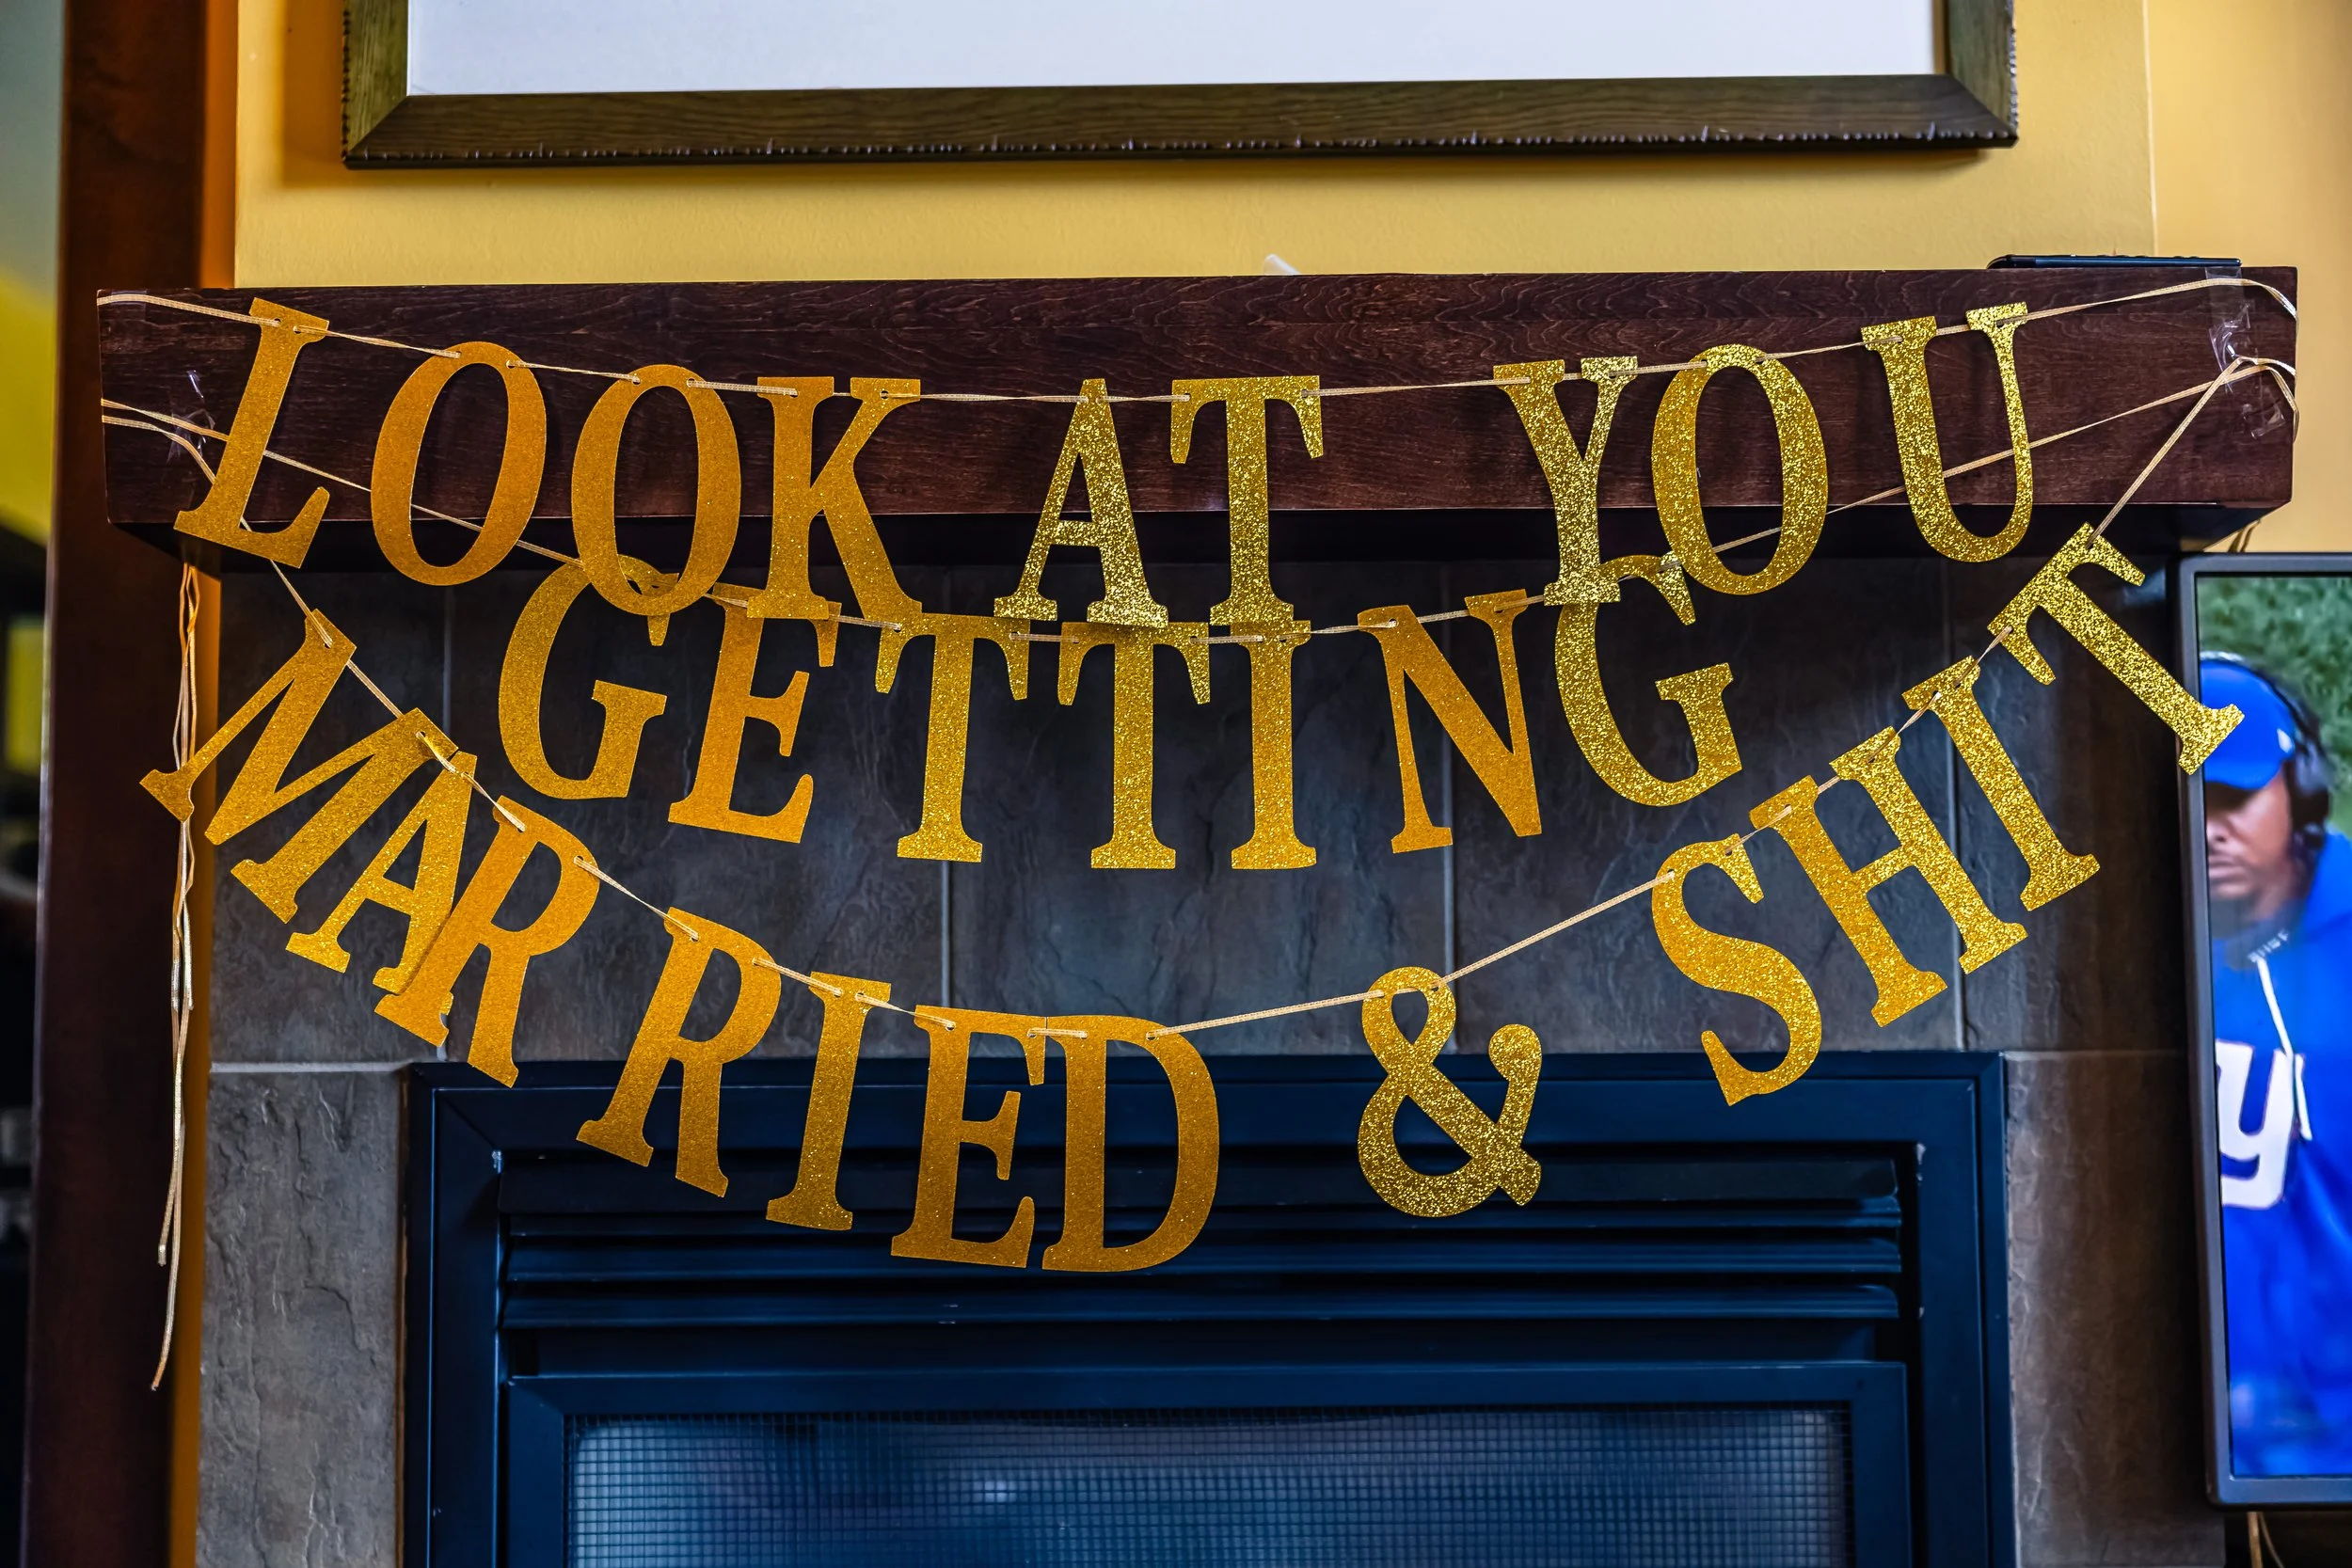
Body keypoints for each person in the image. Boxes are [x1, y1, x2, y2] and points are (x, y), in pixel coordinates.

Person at [2202, 654, 2352, 1477]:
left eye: (2231, 796)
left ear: (2304, 791)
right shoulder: (2135, 938)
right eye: (2190, 797)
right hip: (2184, 1439)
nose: (2208, 825)